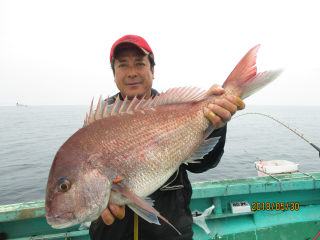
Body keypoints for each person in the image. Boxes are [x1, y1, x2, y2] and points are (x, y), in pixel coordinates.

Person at [89, 35, 245, 240]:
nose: (132, 72)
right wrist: (93, 209)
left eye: (139, 63)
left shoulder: (173, 110)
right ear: (114, 73)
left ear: (152, 70)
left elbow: (202, 164)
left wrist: (215, 124)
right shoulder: (99, 125)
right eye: (123, 65)